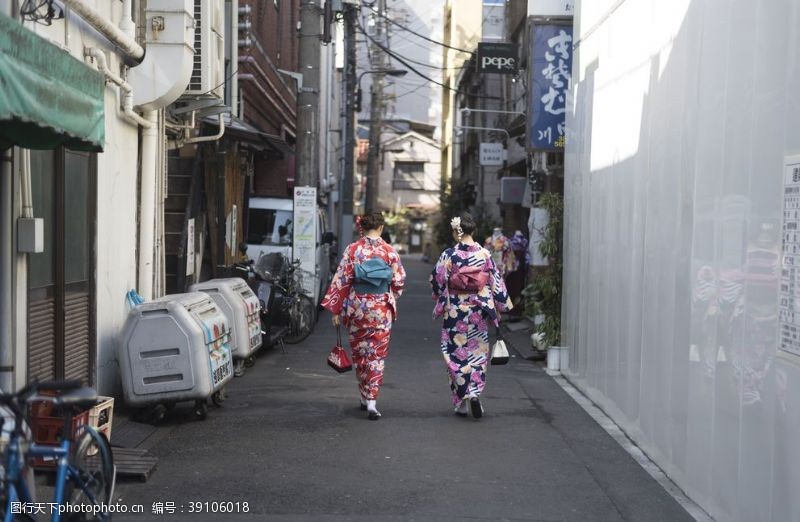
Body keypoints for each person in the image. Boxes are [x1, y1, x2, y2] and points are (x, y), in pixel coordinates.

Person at [322, 212, 406, 420]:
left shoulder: (353, 249)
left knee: (360, 354)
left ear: (363, 227)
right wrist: (387, 297)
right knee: (376, 355)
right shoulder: (389, 251)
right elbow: (398, 281)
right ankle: (371, 401)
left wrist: (336, 309)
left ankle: (363, 395)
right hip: (380, 309)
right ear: (381, 227)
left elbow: (341, 279)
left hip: (358, 307)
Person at [430, 213, 513, 419]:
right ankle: (475, 393)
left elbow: (437, 281)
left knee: (455, 354)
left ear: (455, 232)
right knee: (477, 353)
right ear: (473, 231)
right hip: (478, 309)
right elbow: (496, 283)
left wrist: (441, 299)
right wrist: (501, 306)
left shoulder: (449, 255)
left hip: (455, 311)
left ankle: (462, 401)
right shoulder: (485, 255)